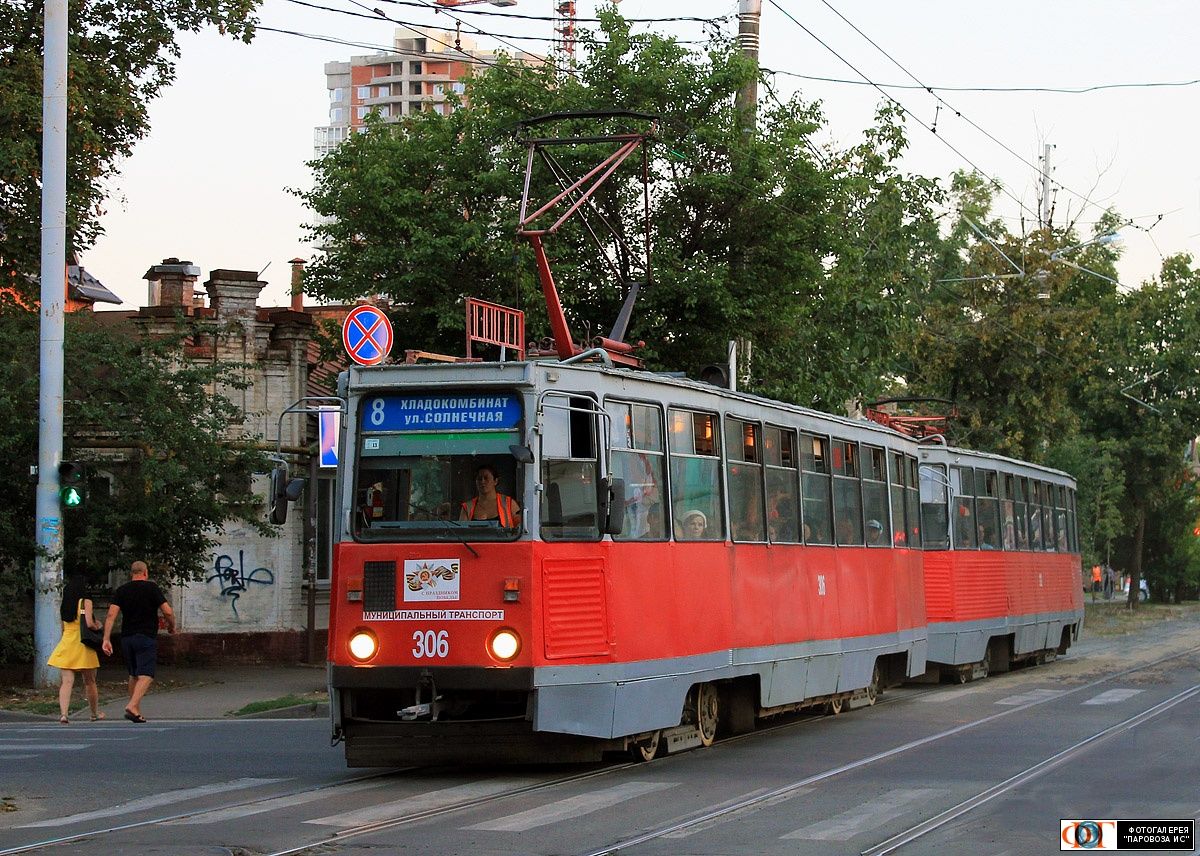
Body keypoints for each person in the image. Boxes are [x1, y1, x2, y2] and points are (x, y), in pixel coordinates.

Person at [101, 560, 176, 723]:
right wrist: (172, 626)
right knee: (147, 674)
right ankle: (132, 705)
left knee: (134, 674)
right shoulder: (152, 588)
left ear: (131, 574)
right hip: (145, 636)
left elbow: (111, 615)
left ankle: (136, 711)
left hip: (127, 637)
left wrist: (106, 639)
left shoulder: (122, 590)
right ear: (145, 572)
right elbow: (168, 612)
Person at [46, 572, 104, 724]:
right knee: (90, 681)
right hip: (83, 644)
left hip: (67, 643)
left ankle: (64, 714)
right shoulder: (85, 602)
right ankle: (94, 713)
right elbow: (90, 624)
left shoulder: (65, 604)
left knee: (66, 682)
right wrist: (99, 625)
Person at [459, 463, 521, 528]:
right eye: (479, 478)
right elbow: (460, 532)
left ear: (495, 481)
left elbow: (520, 528)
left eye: (486, 478)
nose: (482, 481)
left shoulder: (509, 503)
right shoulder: (467, 507)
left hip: (503, 538)